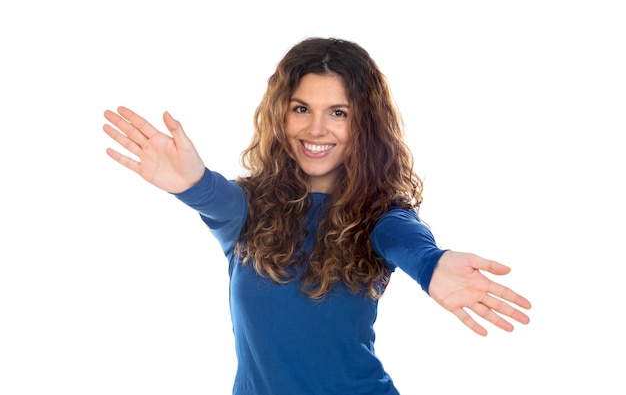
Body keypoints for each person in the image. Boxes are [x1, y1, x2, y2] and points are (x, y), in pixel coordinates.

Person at [103, 37, 531, 395]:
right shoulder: (250, 211)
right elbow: (217, 200)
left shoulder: (380, 216)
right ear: (280, 114)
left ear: (364, 123)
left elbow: (407, 241)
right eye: (301, 108)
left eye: (338, 113)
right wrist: (192, 182)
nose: (316, 129)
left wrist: (432, 265)